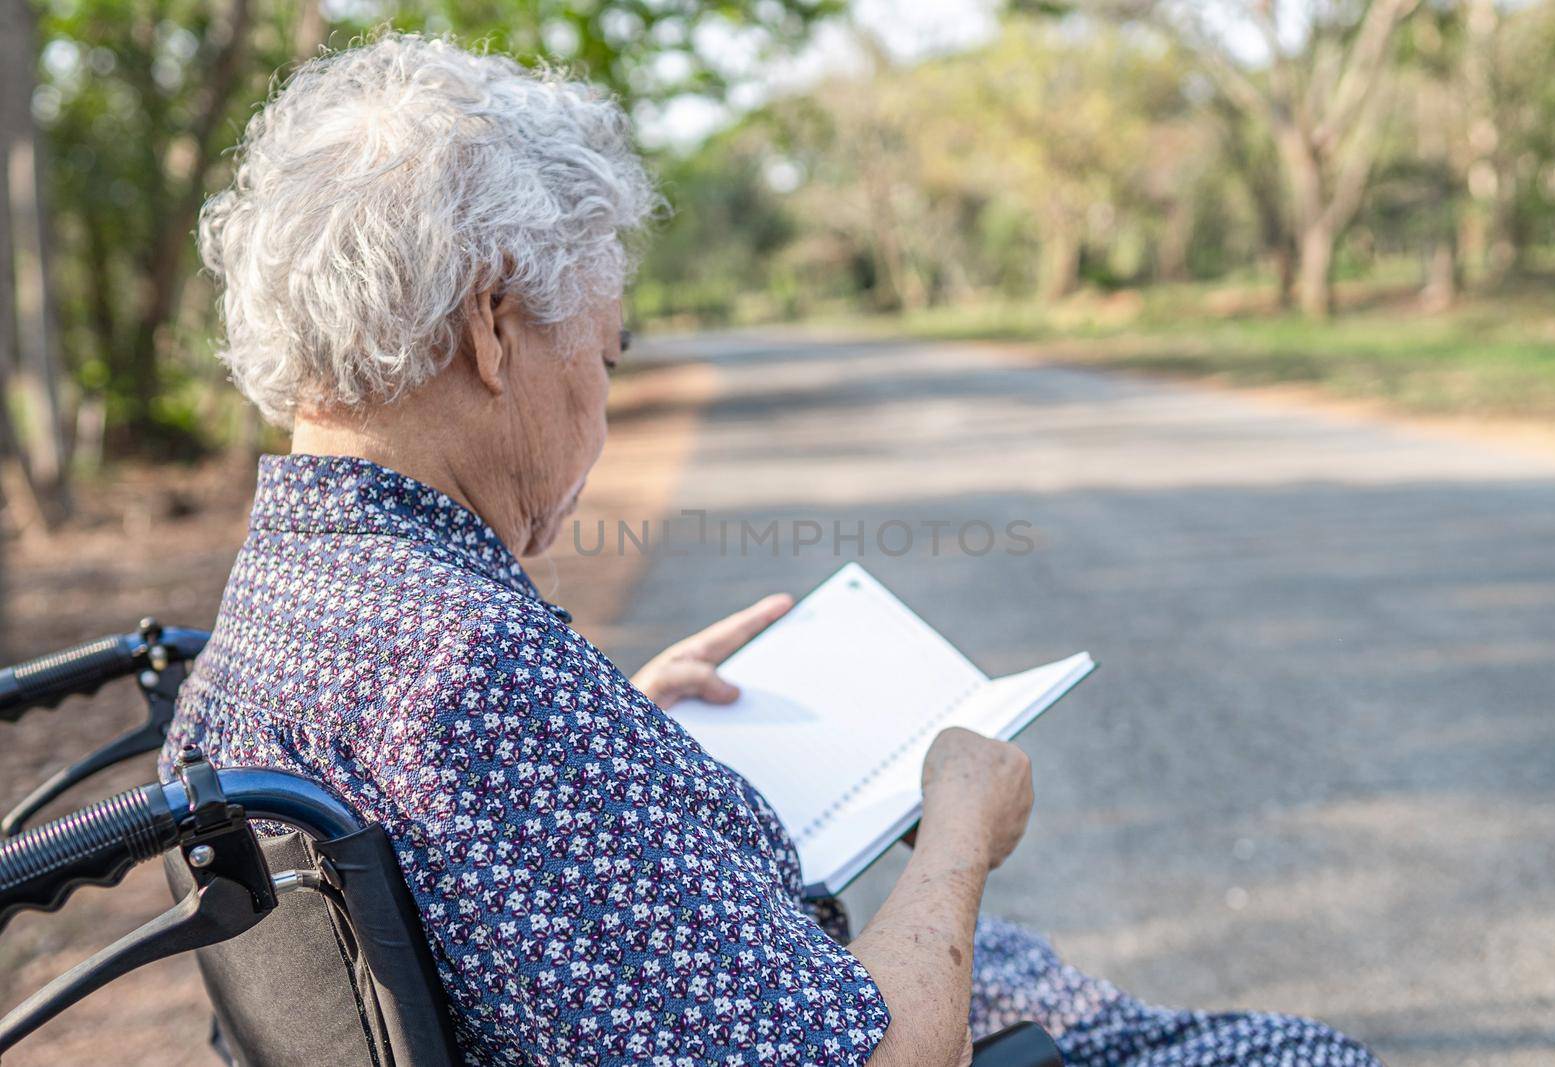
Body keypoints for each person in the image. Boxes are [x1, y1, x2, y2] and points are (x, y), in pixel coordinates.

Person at [161, 33, 1381, 1067]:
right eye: (605, 348)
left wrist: (615, 734)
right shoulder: (465, 666)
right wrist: (959, 828)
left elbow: (447, 839)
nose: (602, 388)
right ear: (492, 326)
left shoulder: (289, 602)